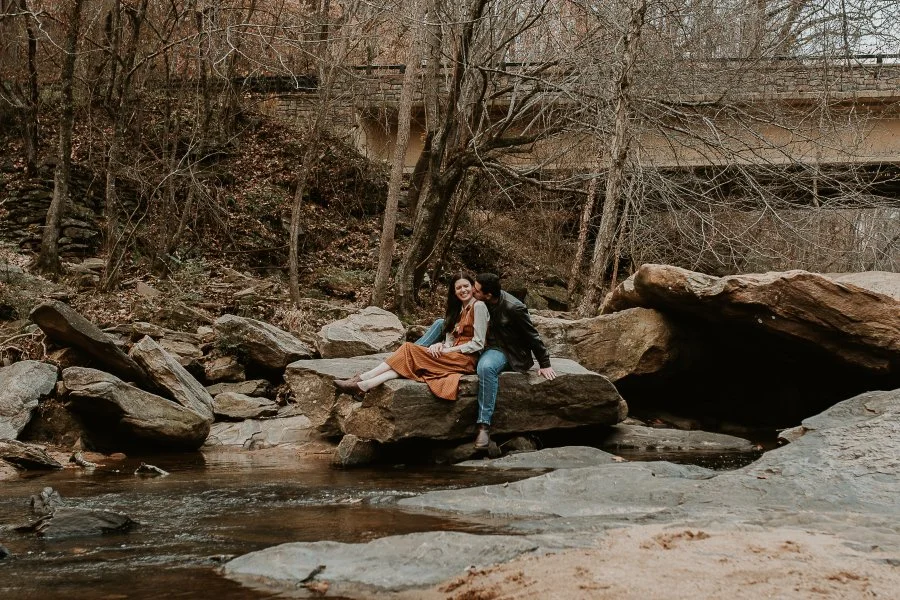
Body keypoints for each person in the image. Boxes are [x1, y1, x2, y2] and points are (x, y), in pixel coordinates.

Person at [334, 272, 489, 401]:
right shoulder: (457, 309)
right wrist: (441, 345)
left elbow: (478, 343)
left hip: (466, 359)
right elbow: (450, 339)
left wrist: (448, 351)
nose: (463, 290)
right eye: (458, 287)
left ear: (473, 287)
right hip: (452, 355)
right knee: (407, 363)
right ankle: (363, 386)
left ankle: (362, 378)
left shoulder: (479, 307)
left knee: (408, 348)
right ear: (454, 291)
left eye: (466, 286)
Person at [470, 273, 556, 449]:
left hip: (507, 351)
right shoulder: (480, 301)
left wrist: (545, 363)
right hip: (482, 345)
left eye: (476, 290)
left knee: (486, 368)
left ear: (488, 295)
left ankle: (484, 426)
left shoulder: (514, 307)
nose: (472, 291)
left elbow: (532, 335)